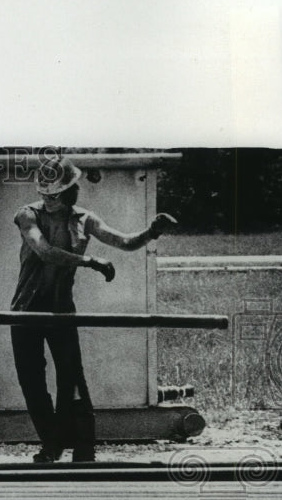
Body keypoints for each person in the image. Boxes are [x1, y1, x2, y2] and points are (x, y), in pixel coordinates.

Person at [11, 154, 177, 463]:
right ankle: (52, 445)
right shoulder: (27, 215)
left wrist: (151, 232)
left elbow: (124, 242)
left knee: (72, 378)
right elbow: (44, 251)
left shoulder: (85, 219)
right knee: (32, 383)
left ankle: (84, 448)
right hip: (26, 309)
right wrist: (90, 261)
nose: (48, 200)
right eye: (44, 194)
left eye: (56, 194)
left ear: (72, 191)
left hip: (61, 309)